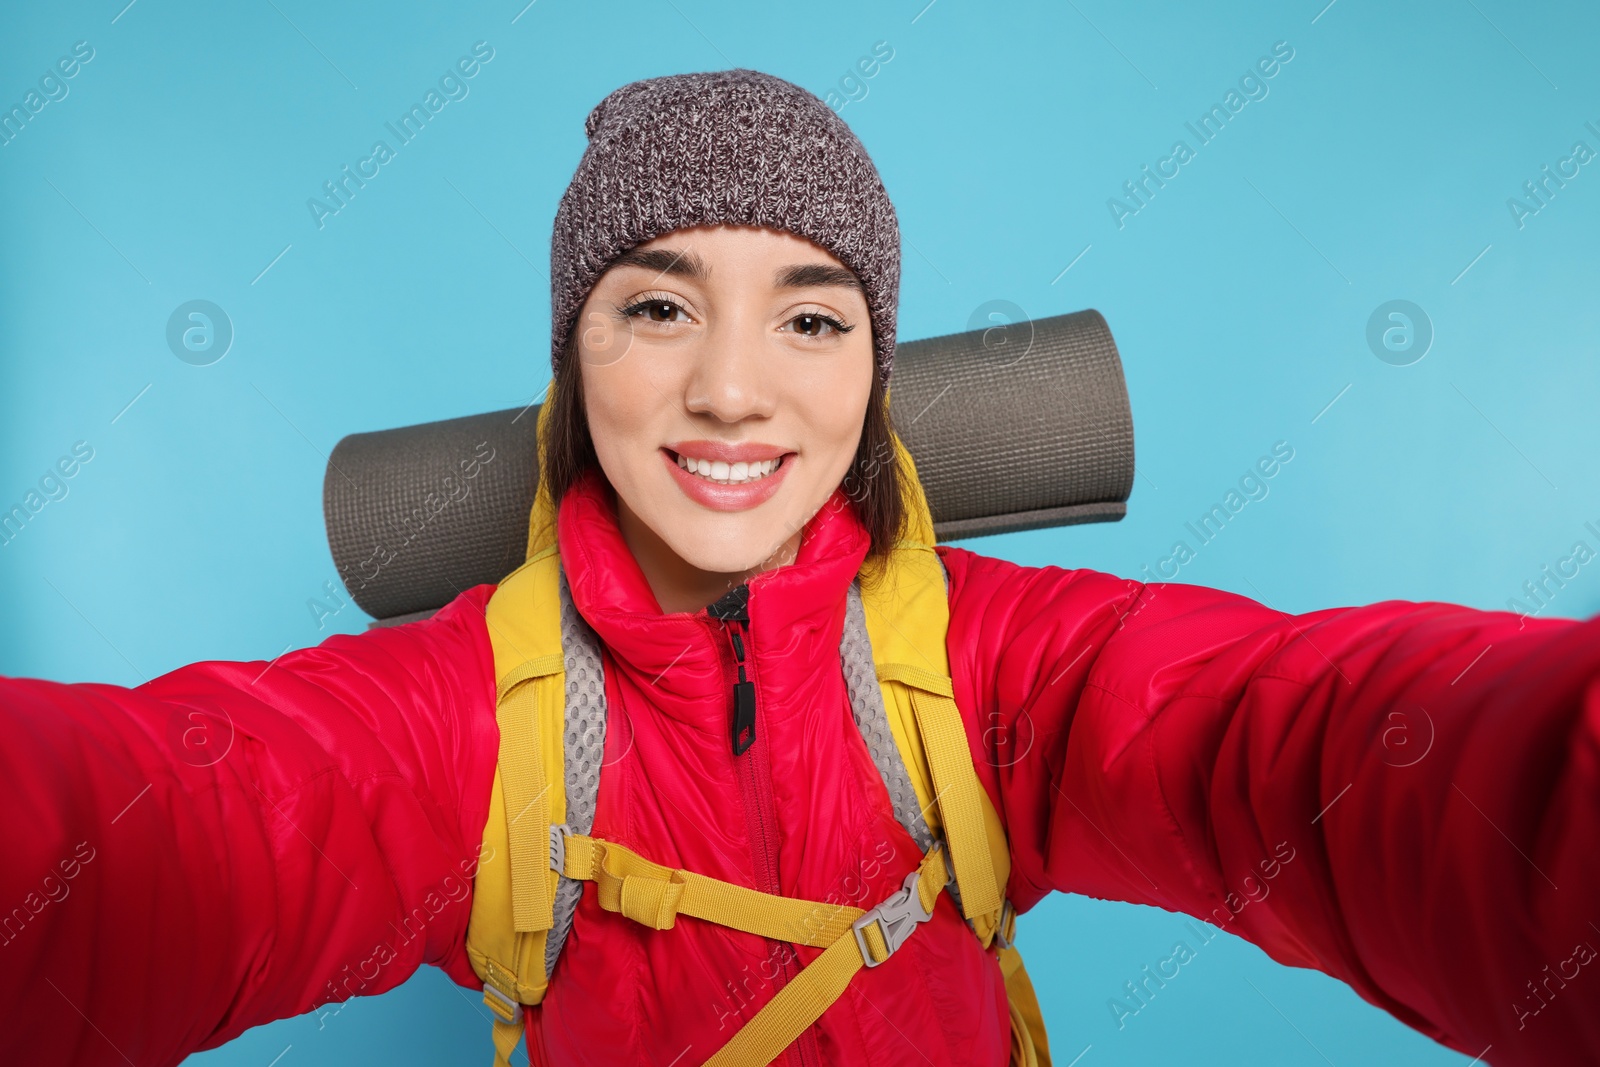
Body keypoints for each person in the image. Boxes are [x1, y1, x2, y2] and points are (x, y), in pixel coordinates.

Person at [1, 68, 1596, 1067]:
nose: (734, 394)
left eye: (813, 316)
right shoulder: (471, 724)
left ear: (874, 368)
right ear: (576, 363)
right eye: (658, 306)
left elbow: (1305, 738)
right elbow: (170, 827)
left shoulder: (985, 667)